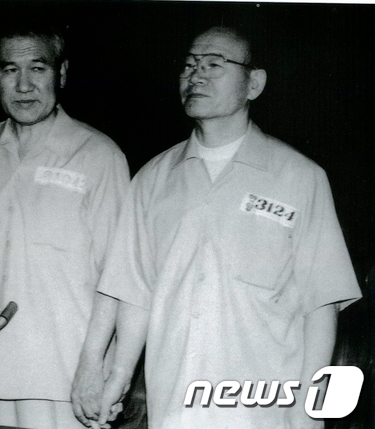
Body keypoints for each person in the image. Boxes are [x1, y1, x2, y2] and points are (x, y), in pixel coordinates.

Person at [72, 25, 362, 429]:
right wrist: (116, 378)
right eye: (189, 65)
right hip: (173, 405)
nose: (196, 76)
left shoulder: (300, 177)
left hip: (264, 411)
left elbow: (321, 306)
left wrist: (309, 412)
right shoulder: (153, 179)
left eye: (214, 64)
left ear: (254, 83)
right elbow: (135, 293)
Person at [0, 24, 130, 429]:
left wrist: (98, 367)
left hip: (67, 377)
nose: (23, 85)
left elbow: (118, 276)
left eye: (37, 68)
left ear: (61, 73)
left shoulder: (100, 156)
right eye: (9, 70)